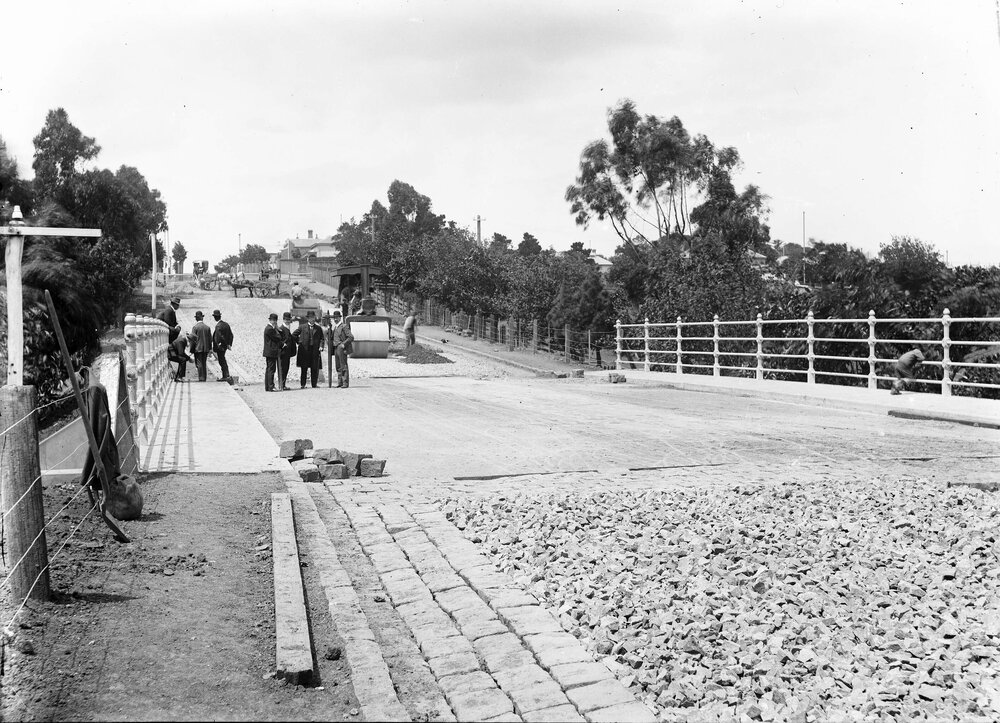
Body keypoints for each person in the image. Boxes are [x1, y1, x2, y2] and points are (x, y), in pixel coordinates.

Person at [293, 310, 324, 388]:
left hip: (315, 351)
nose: (312, 319)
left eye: (313, 317)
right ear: (308, 318)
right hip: (305, 351)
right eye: (310, 318)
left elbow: (322, 339)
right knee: (304, 368)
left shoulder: (318, 328)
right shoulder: (302, 327)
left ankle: (314, 384)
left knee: (314, 368)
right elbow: (294, 335)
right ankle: (303, 384)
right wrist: (299, 343)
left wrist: (321, 346)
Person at [329, 309, 355, 389]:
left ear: (340, 318)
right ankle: (340, 382)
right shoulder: (335, 327)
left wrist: (343, 344)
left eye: (337, 317)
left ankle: (345, 383)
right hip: (336, 348)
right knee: (338, 366)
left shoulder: (344, 326)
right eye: (334, 318)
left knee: (343, 365)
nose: (336, 319)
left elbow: (351, 337)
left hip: (341, 348)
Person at [212, 310, 234, 383]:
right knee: (223, 360)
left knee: (222, 361)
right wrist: (229, 344)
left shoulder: (218, 326)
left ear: (215, 317)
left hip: (220, 347)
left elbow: (219, 337)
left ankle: (225, 376)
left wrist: (218, 345)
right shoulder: (226, 324)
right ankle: (226, 375)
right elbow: (231, 335)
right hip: (225, 346)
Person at [190, 311, 213, 382]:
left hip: (198, 348)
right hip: (205, 348)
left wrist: (191, 350)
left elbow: (193, 340)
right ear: (202, 318)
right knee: (204, 363)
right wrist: (210, 349)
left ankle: (201, 378)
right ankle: (204, 377)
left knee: (199, 363)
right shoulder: (207, 327)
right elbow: (210, 339)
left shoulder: (195, 327)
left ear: (196, 318)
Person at [262, 313, 282, 392]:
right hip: (271, 351)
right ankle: (271, 386)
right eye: (273, 320)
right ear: (270, 320)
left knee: (269, 369)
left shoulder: (268, 328)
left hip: (269, 351)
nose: (274, 322)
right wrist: (278, 330)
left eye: (275, 320)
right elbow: (278, 338)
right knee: (271, 370)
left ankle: (268, 386)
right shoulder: (270, 329)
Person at [278, 311, 297, 391]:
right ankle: (281, 385)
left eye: (289, 319)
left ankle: (283, 384)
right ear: (283, 319)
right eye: (286, 319)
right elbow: (278, 340)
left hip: (287, 353)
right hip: (283, 352)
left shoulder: (287, 328)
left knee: (286, 368)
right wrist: (283, 345)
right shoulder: (281, 329)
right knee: (282, 369)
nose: (288, 321)